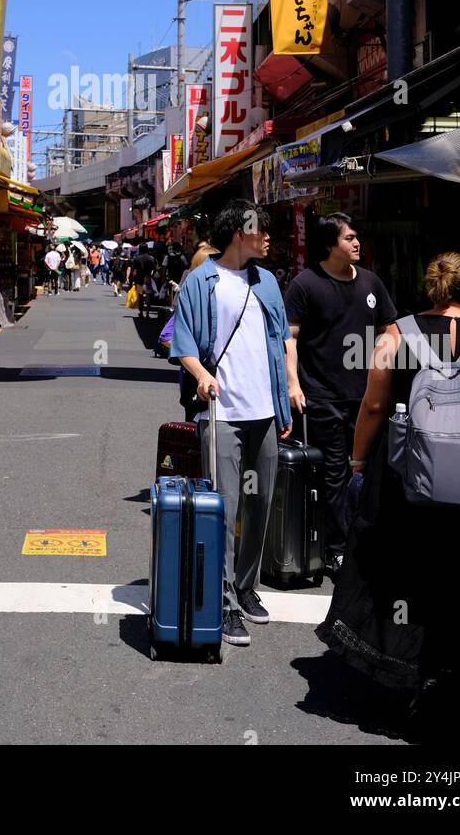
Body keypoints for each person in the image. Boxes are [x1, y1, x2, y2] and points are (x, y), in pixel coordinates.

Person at [316, 253, 460, 730]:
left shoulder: (396, 335)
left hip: (405, 485)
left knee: (407, 574)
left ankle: (413, 668)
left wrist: (355, 461)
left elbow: (373, 405)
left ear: (430, 291)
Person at [171, 199, 305, 647]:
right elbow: (182, 341)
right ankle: (226, 602)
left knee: (262, 501)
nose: (269, 237)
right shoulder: (201, 281)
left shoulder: (267, 281)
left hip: (264, 410)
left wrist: (289, 388)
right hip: (222, 413)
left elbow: (283, 337)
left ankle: (247, 586)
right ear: (237, 234)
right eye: (260, 230)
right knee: (225, 506)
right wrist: (202, 375)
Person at [285, 212, 396, 577]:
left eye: (356, 236)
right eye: (348, 238)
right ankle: (337, 549)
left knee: (363, 472)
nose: (356, 242)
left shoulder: (370, 283)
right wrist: (293, 384)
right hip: (323, 396)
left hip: (367, 399)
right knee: (334, 473)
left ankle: (362, 543)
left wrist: (381, 367)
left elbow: (389, 329)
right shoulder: (305, 284)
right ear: (330, 244)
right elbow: (291, 338)